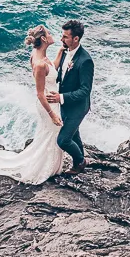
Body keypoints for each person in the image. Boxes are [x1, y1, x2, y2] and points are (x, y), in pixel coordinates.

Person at [0, 25, 65, 184]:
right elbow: (39, 92)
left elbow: (51, 72)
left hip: (51, 101)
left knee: (48, 135)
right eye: (49, 33)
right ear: (43, 39)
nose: (52, 35)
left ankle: (49, 166)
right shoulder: (39, 63)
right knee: (52, 133)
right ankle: (42, 168)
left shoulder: (39, 55)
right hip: (47, 104)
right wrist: (52, 114)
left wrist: (59, 53)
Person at [45, 19, 94, 175]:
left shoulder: (85, 61)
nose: (61, 39)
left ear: (76, 39)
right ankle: (78, 163)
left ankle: (80, 161)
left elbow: (85, 90)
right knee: (75, 135)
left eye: (65, 37)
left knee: (63, 140)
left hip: (78, 107)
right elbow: (61, 75)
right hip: (65, 104)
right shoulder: (65, 52)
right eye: (62, 35)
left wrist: (61, 97)